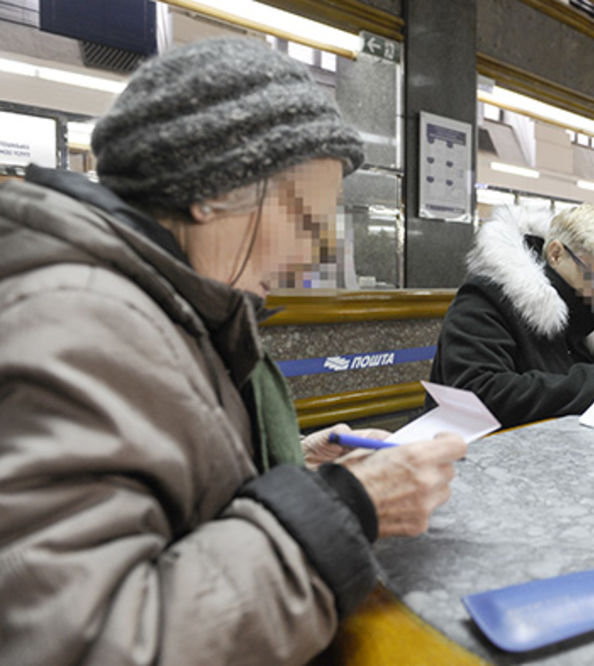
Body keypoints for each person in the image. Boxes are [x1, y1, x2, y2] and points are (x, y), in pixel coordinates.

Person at [0, 38, 466, 665]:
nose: (314, 258)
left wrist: (287, 469)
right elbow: (85, 642)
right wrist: (341, 510)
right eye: (306, 222)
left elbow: (159, 494)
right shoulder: (73, 321)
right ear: (213, 191)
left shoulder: (156, 304)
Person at [429, 204, 594, 428]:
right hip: (471, 447)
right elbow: (478, 392)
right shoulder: (488, 297)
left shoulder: (583, 307)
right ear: (556, 254)